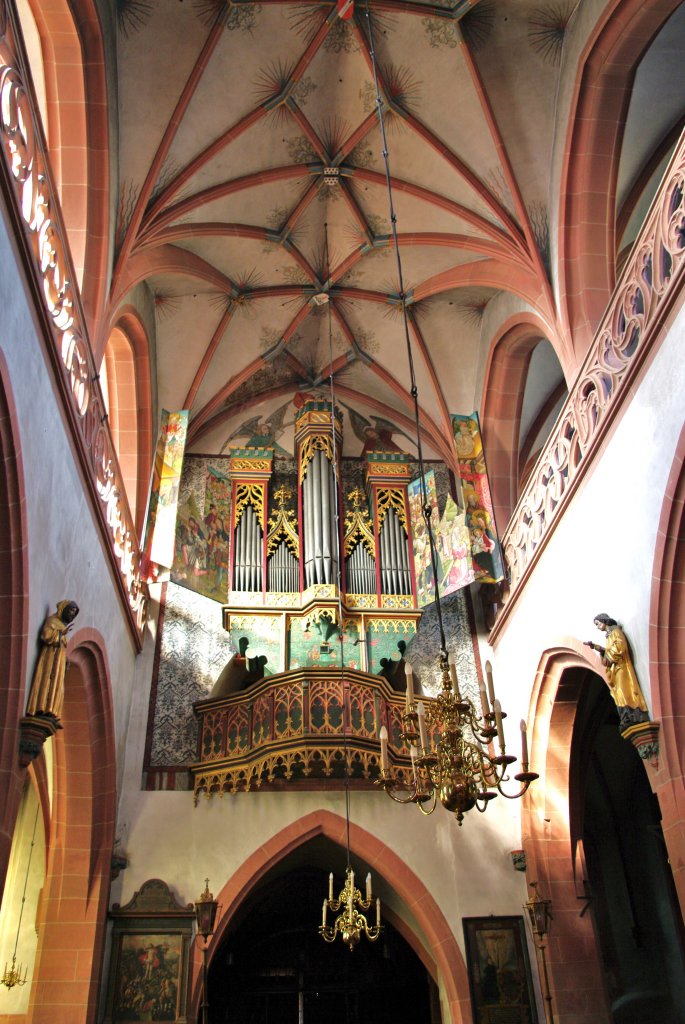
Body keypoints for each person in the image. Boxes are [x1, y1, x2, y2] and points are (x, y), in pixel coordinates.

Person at [584, 613, 648, 723]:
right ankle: (626, 714)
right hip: (616, 668)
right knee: (618, 692)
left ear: (604, 621)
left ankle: (632, 711)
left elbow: (619, 647)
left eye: (597, 623)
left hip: (621, 667)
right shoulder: (609, 635)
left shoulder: (615, 632)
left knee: (623, 689)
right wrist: (596, 647)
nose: (597, 626)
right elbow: (609, 650)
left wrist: (608, 658)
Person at [25, 600, 79, 719]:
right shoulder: (53, 621)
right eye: (70, 610)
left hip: (58, 660)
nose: (72, 614)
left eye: (74, 612)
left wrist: (65, 662)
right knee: (47, 679)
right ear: (63, 609)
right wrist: (60, 634)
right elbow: (46, 635)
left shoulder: (62, 626)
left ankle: (51, 709)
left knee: (57, 683)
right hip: (49, 658)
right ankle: (41, 707)